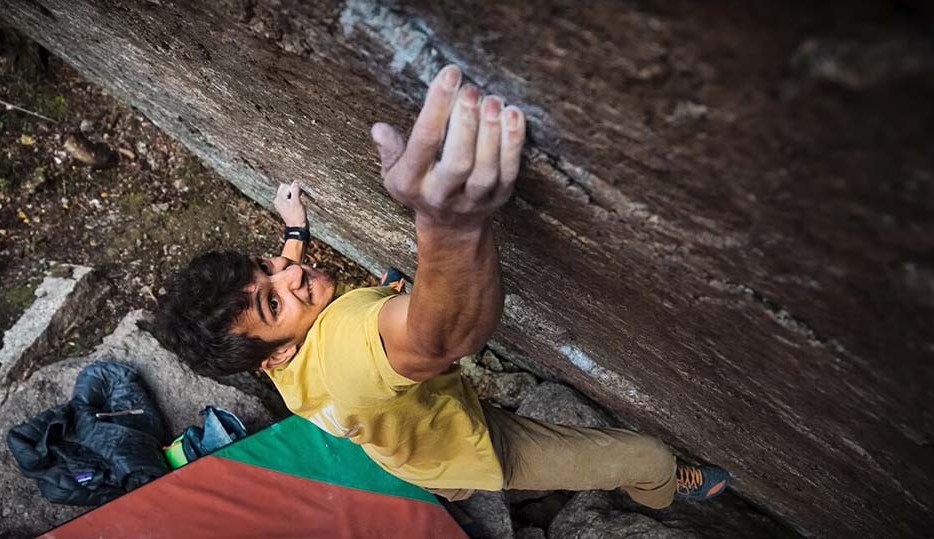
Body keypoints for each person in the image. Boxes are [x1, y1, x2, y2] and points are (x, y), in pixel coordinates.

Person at [154, 65, 730, 506]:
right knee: (643, 454)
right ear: (275, 352)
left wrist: (294, 229)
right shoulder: (347, 350)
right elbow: (444, 338)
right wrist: (450, 226)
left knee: (403, 371)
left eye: (269, 264)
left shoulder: (268, 352)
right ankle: (662, 491)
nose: (291, 272)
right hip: (475, 448)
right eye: (276, 297)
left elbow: (278, 284)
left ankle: (441, 459)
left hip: (408, 446)